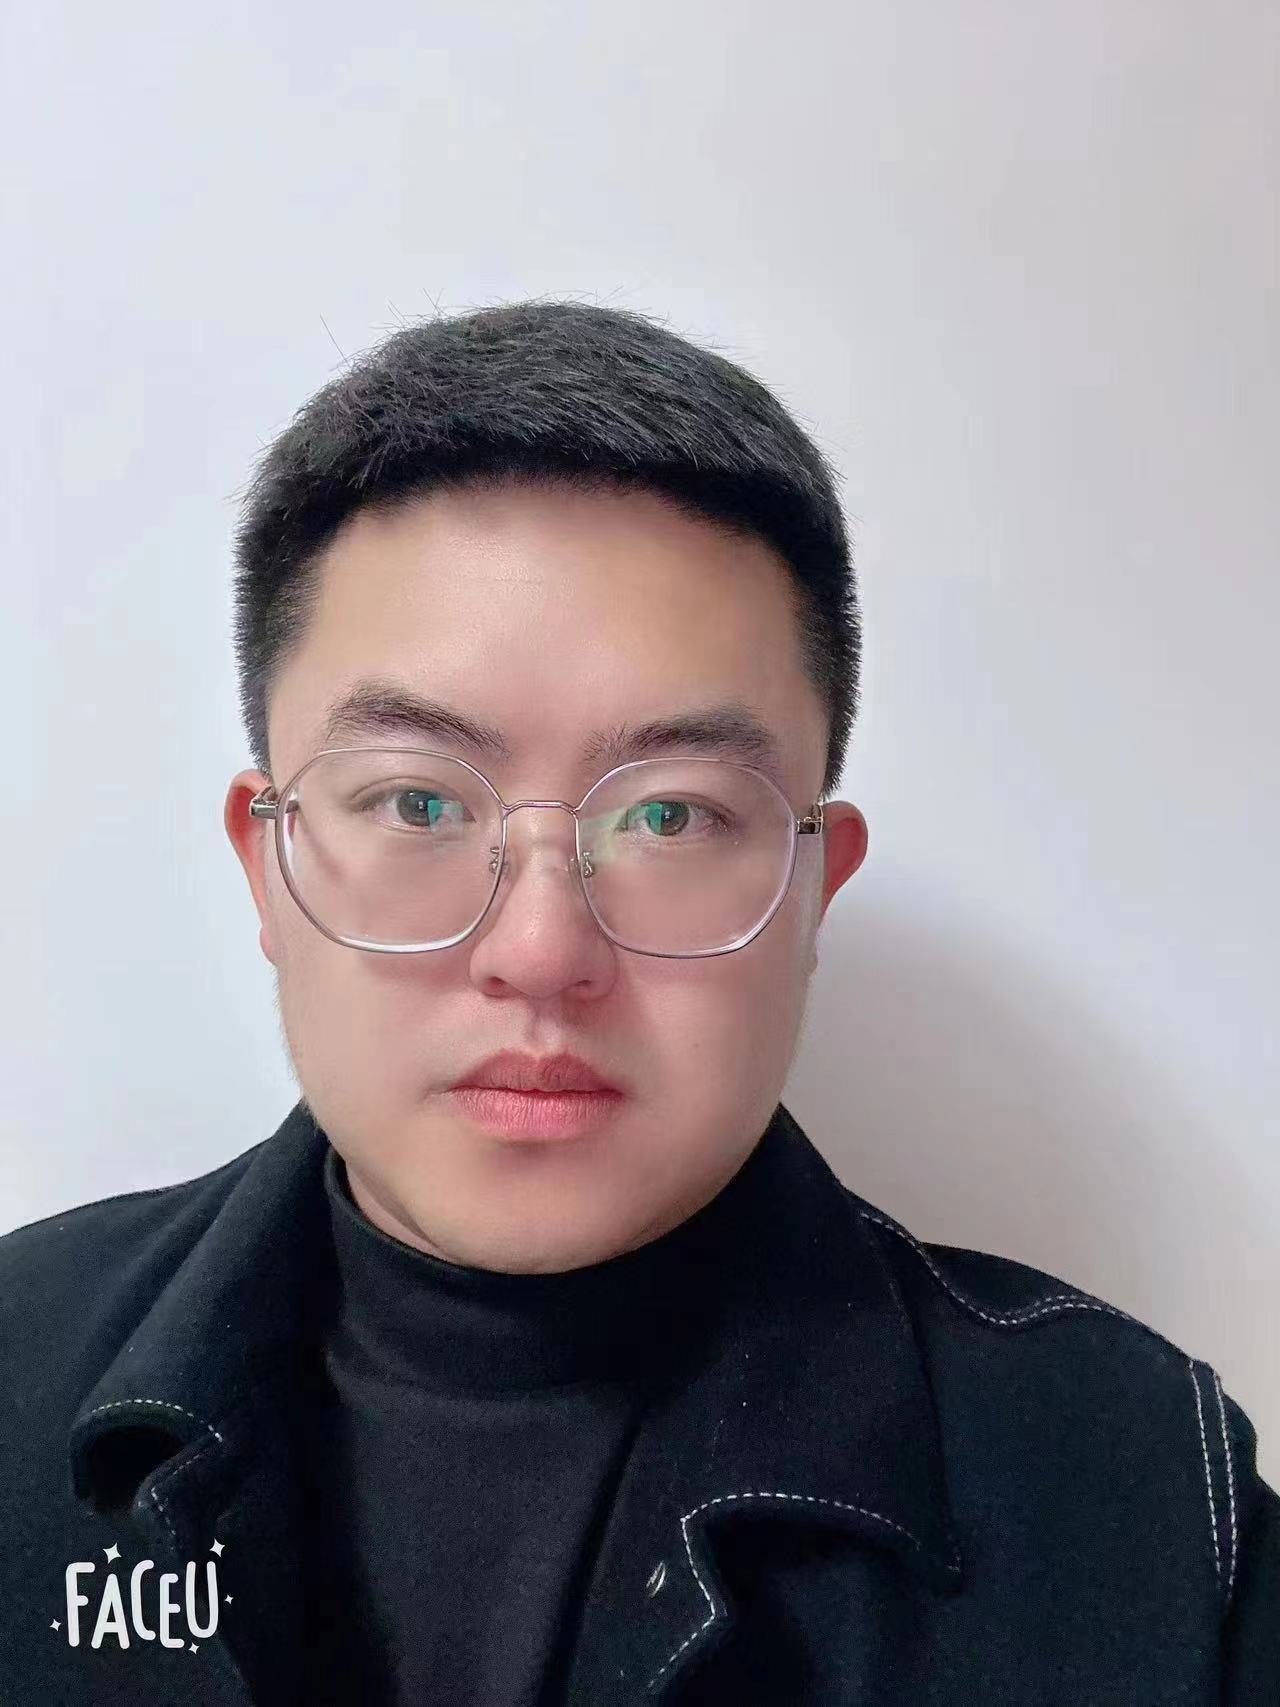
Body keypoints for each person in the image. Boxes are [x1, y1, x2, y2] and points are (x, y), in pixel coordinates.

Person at [0, 300, 1275, 1706]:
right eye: (417, 802)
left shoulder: (1140, 1499)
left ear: (812, 891)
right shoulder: (16, 1368)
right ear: (269, 865)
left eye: (671, 815)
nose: (542, 951)